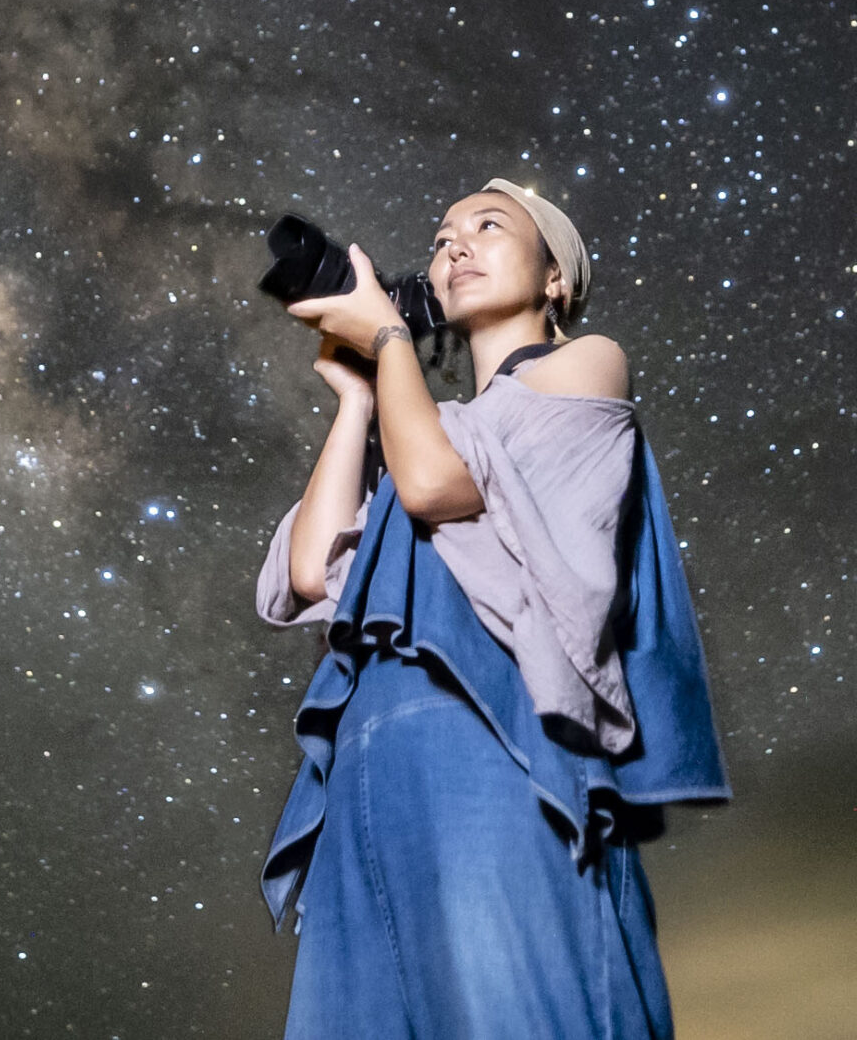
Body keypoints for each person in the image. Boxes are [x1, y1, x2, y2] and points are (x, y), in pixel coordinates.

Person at [255, 178, 727, 1038]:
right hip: (367, 777)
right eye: (440, 238)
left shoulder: (581, 363)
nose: (455, 244)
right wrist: (360, 394)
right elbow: (314, 571)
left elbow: (438, 485)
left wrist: (392, 337)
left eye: (487, 225)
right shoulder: (421, 423)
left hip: (492, 748)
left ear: (555, 279)